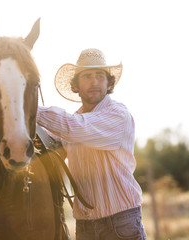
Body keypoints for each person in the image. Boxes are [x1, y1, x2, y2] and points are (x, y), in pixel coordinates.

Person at [37, 48, 147, 240]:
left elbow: (75, 128)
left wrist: (27, 106)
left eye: (100, 76)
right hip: (86, 228)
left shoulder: (118, 115)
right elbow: (46, 140)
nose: (94, 82)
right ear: (77, 85)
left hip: (121, 225)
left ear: (109, 82)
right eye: (87, 76)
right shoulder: (73, 122)